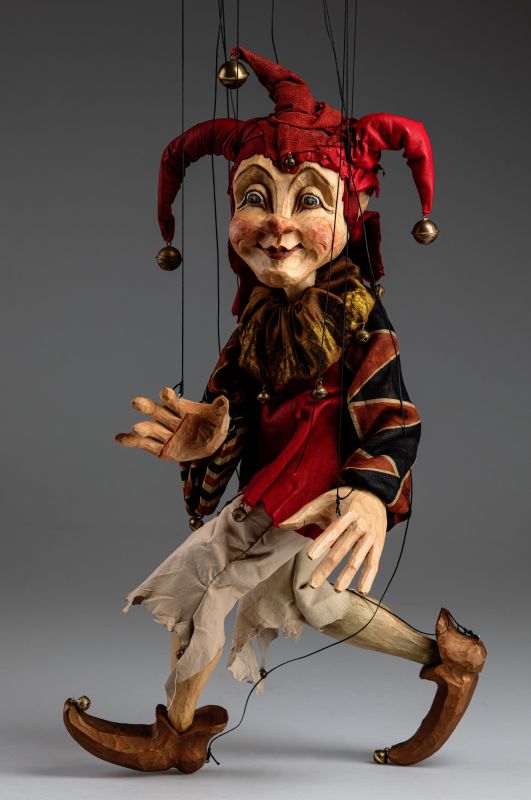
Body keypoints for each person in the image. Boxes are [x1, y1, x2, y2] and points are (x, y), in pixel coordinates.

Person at [63, 47, 486, 774]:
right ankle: (447, 659)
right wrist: (209, 437)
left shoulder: (358, 317)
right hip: (271, 490)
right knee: (317, 603)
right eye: (256, 196)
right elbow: (231, 409)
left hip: (315, 496)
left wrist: (370, 494)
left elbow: (395, 416)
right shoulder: (256, 324)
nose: (279, 226)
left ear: (350, 212)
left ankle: (177, 732)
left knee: (209, 587)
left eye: (310, 201)